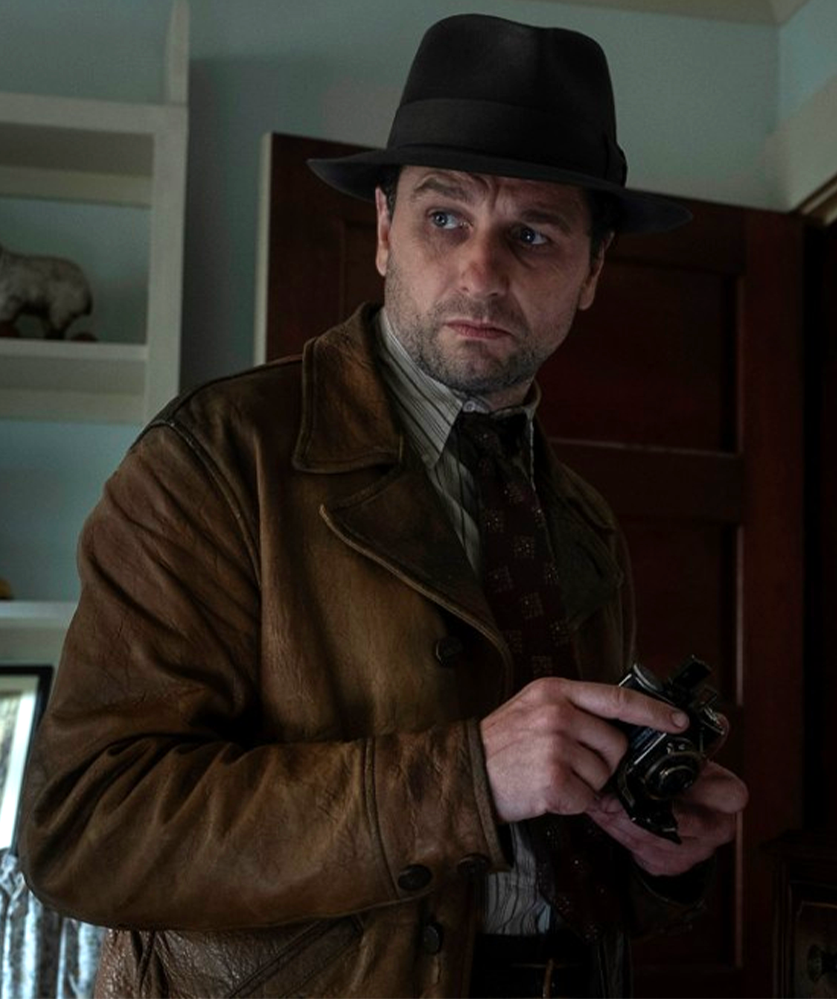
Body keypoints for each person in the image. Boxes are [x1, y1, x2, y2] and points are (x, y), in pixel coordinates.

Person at [19, 13, 748, 999]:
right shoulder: (216, 460)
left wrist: (659, 854)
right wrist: (462, 780)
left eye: (533, 234)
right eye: (444, 219)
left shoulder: (582, 523)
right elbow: (86, 830)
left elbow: (557, 855)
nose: (481, 272)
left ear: (592, 272)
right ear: (381, 231)